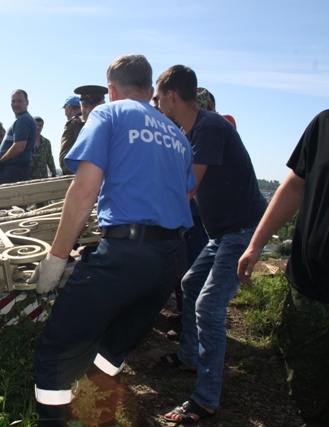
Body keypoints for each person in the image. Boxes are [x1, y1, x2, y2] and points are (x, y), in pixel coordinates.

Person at [30, 54, 195, 427]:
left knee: (55, 350)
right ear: (151, 89)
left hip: (126, 254)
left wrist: (57, 258)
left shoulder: (107, 115)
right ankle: (100, 416)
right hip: (171, 258)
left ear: (111, 90)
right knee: (115, 345)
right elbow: (187, 192)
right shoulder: (178, 137)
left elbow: (85, 190)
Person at [155, 65, 267, 424]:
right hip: (224, 233)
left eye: (158, 97)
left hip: (242, 231)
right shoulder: (193, 130)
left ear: (172, 96)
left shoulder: (209, 127)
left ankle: (205, 400)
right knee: (189, 284)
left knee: (208, 306)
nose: (156, 104)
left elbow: (188, 187)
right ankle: (190, 357)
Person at [238, 110, 329, 427]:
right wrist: (257, 243)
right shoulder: (324, 124)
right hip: (310, 282)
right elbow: (294, 185)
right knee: (301, 372)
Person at [59, 86, 107, 175]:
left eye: (93, 107)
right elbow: (64, 161)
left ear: (103, 105)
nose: (88, 111)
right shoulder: (74, 125)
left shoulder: (111, 125)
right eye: (85, 106)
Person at [0, 89, 37, 184]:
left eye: (19, 101)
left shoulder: (23, 120)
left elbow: (19, 147)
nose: (16, 104)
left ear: (27, 102)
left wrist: (1, 161)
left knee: (10, 197)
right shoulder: (21, 120)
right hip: (15, 168)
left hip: (16, 169)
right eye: (13, 101)